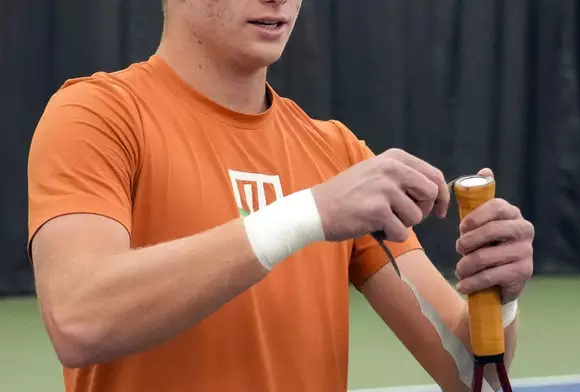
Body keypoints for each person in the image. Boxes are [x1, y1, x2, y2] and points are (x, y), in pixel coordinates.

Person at [27, 0, 535, 391]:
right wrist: (310, 212)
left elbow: (477, 377)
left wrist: (499, 298)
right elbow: (79, 320)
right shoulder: (96, 116)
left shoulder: (337, 154)